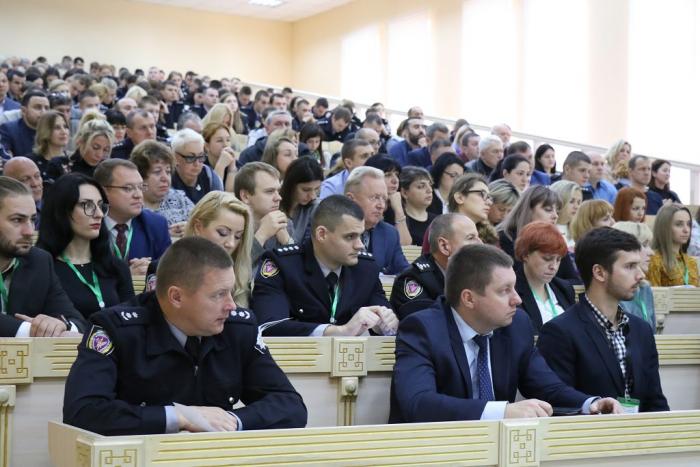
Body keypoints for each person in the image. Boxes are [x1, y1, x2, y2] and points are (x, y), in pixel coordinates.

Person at [63, 236, 307, 435]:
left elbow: (290, 405)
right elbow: (83, 412)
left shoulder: (237, 328)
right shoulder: (117, 330)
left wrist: (230, 420)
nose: (231, 305)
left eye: (231, 292)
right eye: (218, 295)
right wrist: (179, 416)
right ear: (176, 297)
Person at [389, 243, 621, 423]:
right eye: (504, 291)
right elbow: (418, 403)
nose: (517, 299)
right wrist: (502, 411)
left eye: (515, 288)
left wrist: (589, 403)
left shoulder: (517, 324)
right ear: (468, 298)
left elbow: (547, 386)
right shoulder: (422, 329)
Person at [537, 227, 669, 412]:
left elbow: (655, 400)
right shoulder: (560, 332)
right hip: (591, 429)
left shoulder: (641, 329)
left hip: (639, 429)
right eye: (629, 266)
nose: (641, 275)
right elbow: (558, 404)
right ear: (599, 273)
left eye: (638, 266)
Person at [252, 195, 397, 337]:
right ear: (321, 234)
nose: (360, 245)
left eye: (360, 236)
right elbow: (269, 325)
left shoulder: (365, 268)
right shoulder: (284, 265)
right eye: (350, 237)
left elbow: (386, 320)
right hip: (297, 353)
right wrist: (339, 331)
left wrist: (384, 324)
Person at [37, 174, 134, 319]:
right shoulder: (43, 268)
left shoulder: (115, 267)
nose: (99, 214)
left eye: (100, 206)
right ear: (62, 210)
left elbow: (132, 320)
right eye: (87, 205)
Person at [0, 176, 86, 337]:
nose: (29, 231)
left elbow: (75, 321)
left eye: (33, 220)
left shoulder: (38, 261)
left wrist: (61, 326)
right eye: (17, 220)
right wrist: (33, 330)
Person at [146, 191, 254, 308]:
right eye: (222, 233)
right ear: (198, 227)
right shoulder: (164, 269)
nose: (231, 244)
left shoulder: (242, 275)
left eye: (238, 236)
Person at [390, 213, 481, 318]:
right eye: (471, 238)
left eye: (478, 237)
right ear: (444, 246)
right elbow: (429, 324)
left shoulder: (478, 275)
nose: (480, 243)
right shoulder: (413, 280)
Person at [94, 159, 171, 275]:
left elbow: (170, 273)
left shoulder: (156, 224)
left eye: (140, 187)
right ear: (103, 192)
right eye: (128, 188)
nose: (138, 195)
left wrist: (151, 270)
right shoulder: (88, 225)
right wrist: (126, 277)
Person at [498, 185, 580, 283]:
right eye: (548, 209)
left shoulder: (555, 240)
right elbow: (518, 279)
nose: (555, 216)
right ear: (529, 210)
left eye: (557, 211)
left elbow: (574, 281)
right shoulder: (506, 237)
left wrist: (551, 288)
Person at [344, 166, 409, 275]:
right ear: (350, 199)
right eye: (375, 197)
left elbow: (405, 272)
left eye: (384, 199)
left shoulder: (389, 233)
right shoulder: (333, 230)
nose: (381, 205)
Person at [514, 222, 575, 333]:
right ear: (526, 254)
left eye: (558, 260)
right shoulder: (513, 291)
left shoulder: (564, 288)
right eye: (547, 258)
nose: (554, 267)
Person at [234, 162, 295, 265]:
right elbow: (233, 269)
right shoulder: (231, 227)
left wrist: (287, 241)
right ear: (245, 196)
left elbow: (297, 269)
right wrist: (262, 235)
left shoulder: (285, 224)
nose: (278, 198)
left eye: (278, 191)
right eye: (270, 191)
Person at [130, 140, 194, 235]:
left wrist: (190, 228)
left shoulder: (179, 198)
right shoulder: (132, 206)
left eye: (168, 172)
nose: (165, 178)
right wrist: (164, 235)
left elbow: (203, 224)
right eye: (157, 172)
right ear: (140, 176)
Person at [612, 221, 657, 330]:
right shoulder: (612, 290)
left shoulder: (645, 288)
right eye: (645, 245)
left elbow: (652, 332)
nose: (652, 252)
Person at [45, 119, 115, 182]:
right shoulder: (59, 165)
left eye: (106, 150)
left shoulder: (107, 171)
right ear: (81, 141)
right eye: (95, 147)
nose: (99, 155)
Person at [647, 204, 698, 287]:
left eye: (688, 224)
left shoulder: (691, 262)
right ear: (664, 227)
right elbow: (652, 294)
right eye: (679, 224)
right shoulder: (654, 260)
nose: (686, 230)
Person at [171, 128, 223, 204]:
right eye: (190, 157)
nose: (197, 164)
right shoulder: (167, 180)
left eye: (201, 156)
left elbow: (218, 206)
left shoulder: (210, 177)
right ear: (176, 157)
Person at [280, 157, 323, 243]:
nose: (313, 196)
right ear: (291, 185)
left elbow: (307, 247)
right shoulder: (273, 203)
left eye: (317, 189)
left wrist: (286, 241)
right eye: (306, 190)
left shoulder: (316, 207)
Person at [0, 89, 50, 157]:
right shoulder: (9, 130)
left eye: (46, 108)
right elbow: (4, 157)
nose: (43, 112)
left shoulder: (53, 130)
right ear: (23, 111)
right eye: (38, 107)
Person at [29, 110, 70, 180]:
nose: (63, 132)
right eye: (57, 127)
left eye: (65, 126)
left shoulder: (72, 160)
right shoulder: (31, 162)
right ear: (45, 130)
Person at [400, 166, 436, 246]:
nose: (429, 190)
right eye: (421, 186)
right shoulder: (398, 221)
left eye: (430, 185)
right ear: (404, 193)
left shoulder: (437, 220)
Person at [3, 157, 44, 226]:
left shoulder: (55, 210)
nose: (35, 184)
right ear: (9, 184)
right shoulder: (3, 214)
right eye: (25, 179)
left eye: (37, 176)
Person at [202, 122, 237, 192]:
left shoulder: (238, 165)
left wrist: (232, 168)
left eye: (228, 140)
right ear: (207, 146)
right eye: (219, 141)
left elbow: (230, 194)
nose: (225, 145)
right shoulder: (201, 167)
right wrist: (221, 165)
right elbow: (214, 194)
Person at [550, 180, 582, 248]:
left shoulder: (578, 230)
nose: (576, 206)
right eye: (571, 201)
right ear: (558, 202)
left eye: (579, 202)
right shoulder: (547, 231)